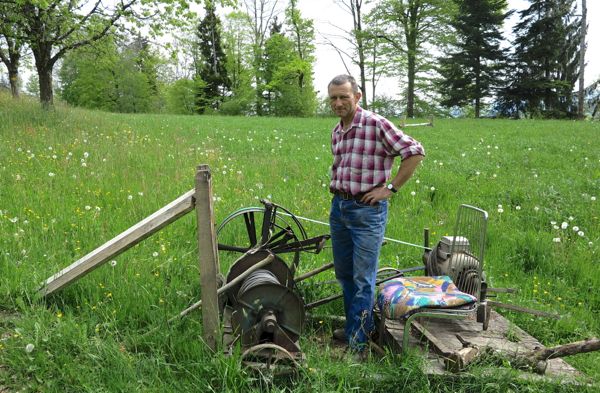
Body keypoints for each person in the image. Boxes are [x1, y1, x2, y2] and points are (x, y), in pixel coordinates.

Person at [327, 74, 425, 356]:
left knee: (362, 277)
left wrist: (391, 188)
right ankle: (353, 328)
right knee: (345, 274)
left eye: (344, 96)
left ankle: (359, 344)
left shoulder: (375, 123)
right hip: (341, 207)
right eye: (334, 97)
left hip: (367, 211)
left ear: (357, 97)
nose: (338, 102)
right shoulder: (337, 130)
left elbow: (415, 152)